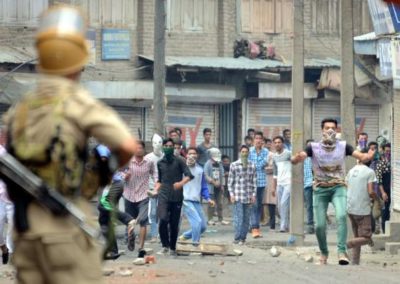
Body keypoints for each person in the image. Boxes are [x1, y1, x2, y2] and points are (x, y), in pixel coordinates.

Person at [4, 6, 138, 283]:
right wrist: (95, 176)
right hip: (65, 231)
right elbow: (126, 145)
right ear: (78, 62)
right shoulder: (76, 100)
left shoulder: (22, 108)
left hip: (25, 233)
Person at [291, 118, 374, 265]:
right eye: (327, 128)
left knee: (341, 216)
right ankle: (324, 253)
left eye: (333, 128)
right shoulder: (313, 147)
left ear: (337, 131)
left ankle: (342, 251)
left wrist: (368, 156)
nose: (330, 131)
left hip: (338, 187)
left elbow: (361, 156)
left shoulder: (344, 146)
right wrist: (297, 158)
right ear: (322, 130)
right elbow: (300, 157)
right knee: (320, 226)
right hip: (320, 189)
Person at [155, 138, 194, 256]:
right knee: (162, 219)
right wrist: (155, 189)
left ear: (173, 147)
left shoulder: (180, 161)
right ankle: (164, 245)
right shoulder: (160, 163)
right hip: (163, 195)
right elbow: (159, 180)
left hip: (176, 197)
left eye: (170, 146)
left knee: (173, 223)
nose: (168, 148)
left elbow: (189, 176)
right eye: (165, 146)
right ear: (163, 147)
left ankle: (172, 247)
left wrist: (180, 184)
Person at [123, 140, 157, 258]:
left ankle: (141, 248)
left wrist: (156, 188)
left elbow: (155, 175)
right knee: (130, 221)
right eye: (136, 148)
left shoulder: (149, 162)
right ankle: (130, 238)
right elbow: (118, 173)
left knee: (143, 221)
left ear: (143, 150)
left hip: (143, 196)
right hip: (129, 195)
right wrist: (124, 176)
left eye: (140, 148)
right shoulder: (127, 161)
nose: (138, 150)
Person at [179, 148, 215, 245]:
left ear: (197, 155)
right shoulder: (182, 168)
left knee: (203, 226)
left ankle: (185, 236)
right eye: (190, 153)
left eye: (194, 153)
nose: (192, 155)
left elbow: (203, 186)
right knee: (197, 222)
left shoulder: (200, 169)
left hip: (196, 201)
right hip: (185, 200)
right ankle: (195, 244)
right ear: (186, 155)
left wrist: (208, 198)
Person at [346, 153, 376, 265]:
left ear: (359, 160)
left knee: (357, 236)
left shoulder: (351, 170)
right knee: (366, 238)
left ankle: (355, 261)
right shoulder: (370, 172)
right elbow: (371, 191)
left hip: (350, 207)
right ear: (370, 163)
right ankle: (346, 245)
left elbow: (346, 185)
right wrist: (377, 199)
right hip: (362, 209)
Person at [98, 168, 135, 260]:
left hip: (115, 184)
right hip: (111, 186)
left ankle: (129, 220)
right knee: (103, 220)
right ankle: (113, 251)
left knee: (102, 205)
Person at [228, 145, 256, 245]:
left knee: (246, 218)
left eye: (246, 152)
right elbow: (230, 182)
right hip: (238, 196)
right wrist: (231, 194)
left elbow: (254, 182)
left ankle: (243, 238)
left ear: (248, 153)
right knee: (238, 218)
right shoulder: (234, 165)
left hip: (248, 196)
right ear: (240, 153)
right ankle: (237, 237)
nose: (244, 153)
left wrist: (253, 195)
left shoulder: (252, 165)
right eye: (243, 152)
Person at [248, 131, 269, 238]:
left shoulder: (266, 151)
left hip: (261, 182)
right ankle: (254, 227)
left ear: (262, 140)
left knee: (258, 205)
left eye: (260, 138)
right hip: (250, 182)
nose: (258, 140)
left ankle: (253, 225)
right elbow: (248, 165)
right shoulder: (249, 151)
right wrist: (258, 165)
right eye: (256, 138)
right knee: (253, 205)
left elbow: (265, 162)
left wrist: (256, 165)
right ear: (253, 140)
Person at [271, 136, 292, 233]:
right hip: (279, 183)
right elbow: (275, 173)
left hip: (288, 182)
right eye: (275, 142)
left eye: (279, 142)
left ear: (282, 143)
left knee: (284, 203)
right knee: (280, 206)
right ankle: (285, 225)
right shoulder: (274, 156)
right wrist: (273, 187)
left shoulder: (288, 153)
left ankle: (283, 226)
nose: (277, 144)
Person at [145, 134, 164, 242]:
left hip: (163, 188)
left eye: (160, 142)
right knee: (153, 212)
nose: (157, 145)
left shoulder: (165, 156)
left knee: (162, 212)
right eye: (155, 142)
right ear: (152, 143)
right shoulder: (147, 158)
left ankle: (161, 234)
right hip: (152, 189)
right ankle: (153, 234)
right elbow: (146, 174)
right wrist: (150, 188)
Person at [204, 148, 228, 225]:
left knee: (220, 203)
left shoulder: (219, 163)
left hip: (219, 186)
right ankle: (210, 219)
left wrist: (222, 185)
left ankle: (221, 219)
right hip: (211, 187)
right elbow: (205, 175)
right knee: (211, 203)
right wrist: (212, 181)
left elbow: (222, 174)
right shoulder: (207, 163)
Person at [0, 147, 13, 265]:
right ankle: (4, 249)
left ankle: (15, 261)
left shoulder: (3, 152)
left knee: (13, 229)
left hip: (9, 197)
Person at [376, 143, 391, 234]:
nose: (388, 153)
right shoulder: (380, 164)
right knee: (385, 212)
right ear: (383, 151)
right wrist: (383, 193)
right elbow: (379, 180)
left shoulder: (394, 162)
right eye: (387, 151)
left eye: (390, 151)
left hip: (393, 192)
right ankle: (385, 232)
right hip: (384, 191)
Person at [262, 142, 277, 229]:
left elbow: (273, 168)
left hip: (272, 179)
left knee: (272, 200)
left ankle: (274, 220)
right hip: (264, 179)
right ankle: (266, 219)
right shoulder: (262, 155)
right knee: (265, 201)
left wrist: (267, 168)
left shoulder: (272, 155)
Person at [304, 139, 314, 234]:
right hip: (307, 185)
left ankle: (320, 225)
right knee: (309, 206)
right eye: (308, 145)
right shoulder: (304, 158)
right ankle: (310, 226)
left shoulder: (318, 157)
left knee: (319, 205)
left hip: (318, 184)